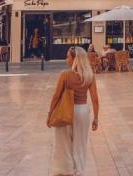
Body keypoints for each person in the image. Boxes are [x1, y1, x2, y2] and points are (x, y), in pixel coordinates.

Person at [49, 46, 99, 176]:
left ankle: (67, 171)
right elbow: (95, 99)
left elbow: (56, 96)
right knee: (80, 143)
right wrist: (96, 118)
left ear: (75, 59)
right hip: (83, 111)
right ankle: (79, 171)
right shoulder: (89, 76)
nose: (66, 60)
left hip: (67, 109)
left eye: (68, 57)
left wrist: (50, 114)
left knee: (64, 143)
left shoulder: (65, 75)